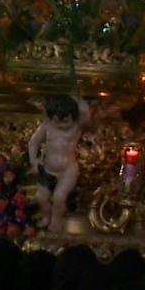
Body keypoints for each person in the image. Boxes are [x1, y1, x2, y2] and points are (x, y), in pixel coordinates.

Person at [28, 95, 88, 232]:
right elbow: (33, 143)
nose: (62, 125)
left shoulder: (76, 128)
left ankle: (56, 220)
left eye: (66, 120)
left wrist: (77, 98)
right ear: (50, 117)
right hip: (47, 168)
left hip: (68, 171)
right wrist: (34, 160)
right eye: (57, 120)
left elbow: (85, 113)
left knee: (59, 197)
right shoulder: (47, 126)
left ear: (73, 117)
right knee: (41, 197)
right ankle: (46, 216)